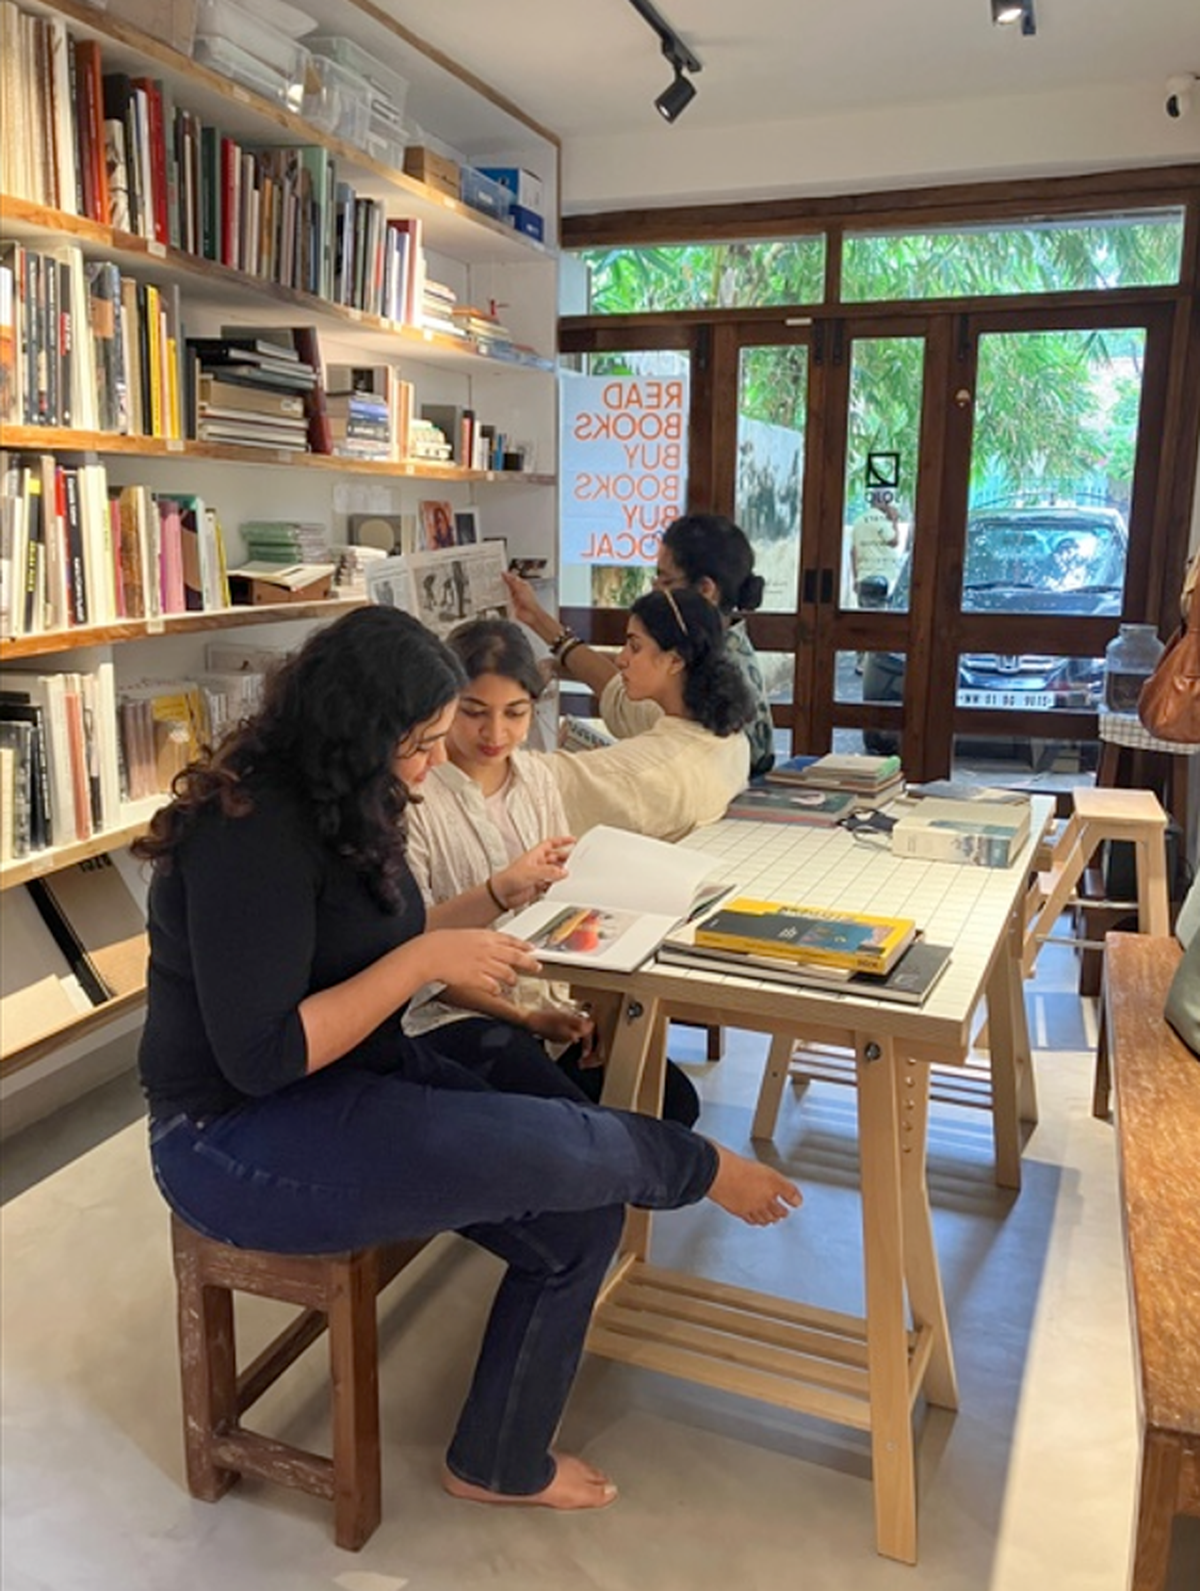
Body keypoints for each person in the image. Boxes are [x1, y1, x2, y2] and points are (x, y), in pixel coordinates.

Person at [133, 605, 801, 1513]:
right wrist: (422, 962)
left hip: (351, 1076)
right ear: (356, 726)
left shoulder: (351, 787)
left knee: (578, 1193)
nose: (437, 761)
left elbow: (392, 938)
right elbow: (262, 1057)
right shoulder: (248, 829)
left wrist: (480, 911)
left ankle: (495, 1454)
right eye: (423, 741)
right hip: (231, 1135)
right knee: (565, 1149)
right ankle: (700, 1165)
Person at [404, 616, 701, 1126]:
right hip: (453, 1014)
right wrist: (523, 1014)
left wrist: (599, 1005)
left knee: (670, 1106)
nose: (496, 734)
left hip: (546, 999)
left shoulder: (538, 778)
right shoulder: (415, 794)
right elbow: (414, 954)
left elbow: (569, 908)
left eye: (515, 713)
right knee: (584, 1126)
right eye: (474, 712)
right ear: (444, 705)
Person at [504, 512, 776, 777]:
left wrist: (540, 621)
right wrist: (557, 664)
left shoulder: (711, 664)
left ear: (706, 590)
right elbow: (625, 671)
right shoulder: (725, 642)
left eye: (666, 579)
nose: (656, 588)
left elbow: (623, 698)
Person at [533, 585, 754, 841]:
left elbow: (540, 782)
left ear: (675, 661)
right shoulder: (731, 739)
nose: (621, 659)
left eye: (635, 647)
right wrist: (537, 619)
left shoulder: (647, 773)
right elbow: (616, 694)